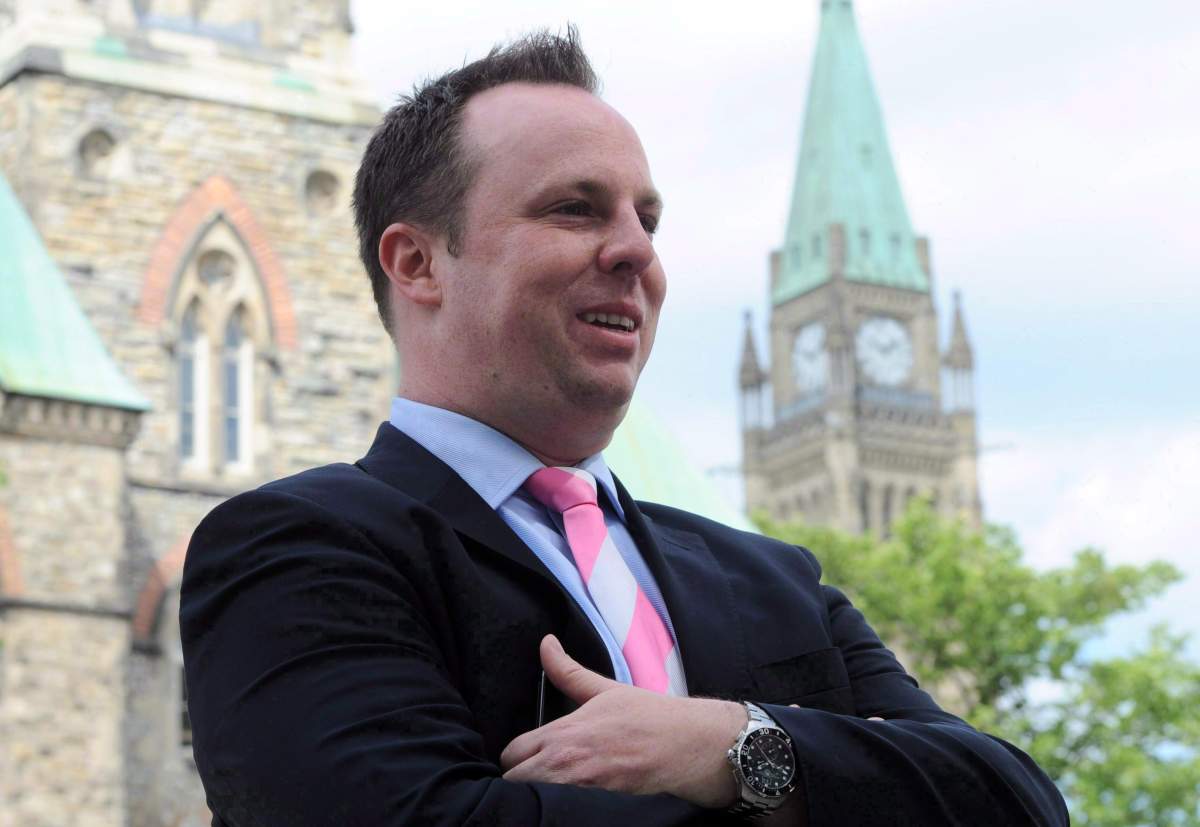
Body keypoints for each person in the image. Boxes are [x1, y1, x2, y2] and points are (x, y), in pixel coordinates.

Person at [180, 28, 1069, 826]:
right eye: (575, 208)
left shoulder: (773, 579)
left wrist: (729, 745)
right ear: (417, 263)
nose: (637, 250)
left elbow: (1014, 802)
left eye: (646, 218)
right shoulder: (300, 548)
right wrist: (839, 790)